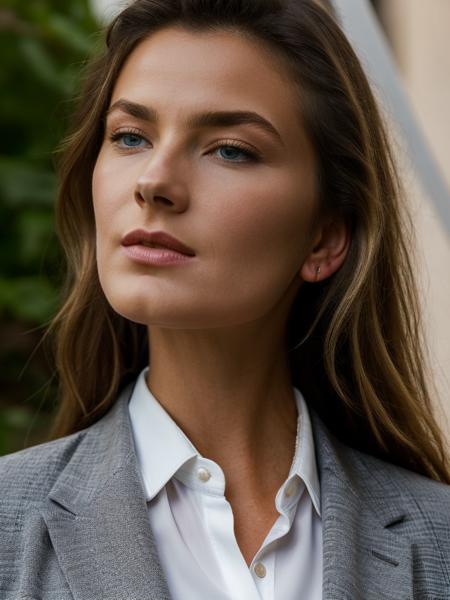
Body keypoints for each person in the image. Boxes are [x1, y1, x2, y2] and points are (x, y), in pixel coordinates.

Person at [1, 0, 450, 598]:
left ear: (324, 236)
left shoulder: (438, 539)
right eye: (130, 136)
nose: (154, 182)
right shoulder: (11, 530)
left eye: (230, 149)